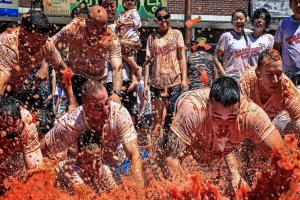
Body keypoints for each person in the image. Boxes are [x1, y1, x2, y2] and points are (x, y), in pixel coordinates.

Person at [164, 76, 285, 191]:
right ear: (207, 107)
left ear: (239, 111)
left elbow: (283, 158)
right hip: (178, 106)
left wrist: (235, 173)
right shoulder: (192, 111)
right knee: (165, 169)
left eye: (231, 118)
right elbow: (171, 159)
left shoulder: (252, 114)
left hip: (210, 117)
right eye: (217, 117)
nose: (223, 127)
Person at [42, 80, 144, 187]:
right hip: (86, 170)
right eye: (99, 107)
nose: (106, 111)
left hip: (119, 165)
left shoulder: (118, 113)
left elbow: (134, 155)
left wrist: (139, 193)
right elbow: (40, 150)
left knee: (141, 167)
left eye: (107, 103)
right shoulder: (70, 124)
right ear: (86, 108)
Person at [0, 10, 76, 111]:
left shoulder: (46, 44)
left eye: (42, 41)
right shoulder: (9, 45)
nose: (39, 45)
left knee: (42, 118)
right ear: (23, 32)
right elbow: (1, 83)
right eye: (36, 41)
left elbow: (64, 71)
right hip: (4, 84)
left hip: (20, 86)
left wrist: (72, 103)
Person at [51, 5, 123, 105]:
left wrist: (116, 92)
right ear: (87, 21)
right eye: (95, 27)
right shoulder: (75, 27)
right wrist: (44, 67)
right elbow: (50, 46)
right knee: (77, 112)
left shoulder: (110, 36)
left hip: (99, 80)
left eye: (103, 28)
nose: (99, 32)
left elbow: (117, 67)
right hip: (75, 76)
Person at [144, 7, 188, 144]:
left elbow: (182, 58)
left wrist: (184, 79)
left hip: (174, 81)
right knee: (157, 121)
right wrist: (146, 84)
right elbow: (148, 62)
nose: (163, 20)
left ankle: (171, 148)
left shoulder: (176, 34)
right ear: (156, 20)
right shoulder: (152, 37)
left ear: (169, 17)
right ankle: (156, 153)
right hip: (157, 83)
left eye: (166, 17)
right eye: (160, 18)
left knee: (173, 118)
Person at [239, 48, 300, 135]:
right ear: (258, 74)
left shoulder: (287, 87)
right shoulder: (246, 84)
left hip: (277, 120)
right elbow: (237, 120)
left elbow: (298, 120)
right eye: (269, 74)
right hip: (252, 122)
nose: (275, 80)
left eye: (279, 74)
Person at [100, 0, 142, 121]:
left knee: (130, 116)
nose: (109, 9)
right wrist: (121, 43)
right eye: (105, 6)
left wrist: (130, 44)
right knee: (108, 117)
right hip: (107, 78)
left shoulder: (121, 24)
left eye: (111, 5)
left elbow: (138, 44)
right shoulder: (98, 27)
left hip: (126, 77)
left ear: (116, 6)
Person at [0, 95, 43, 193]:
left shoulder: (28, 124)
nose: (15, 139)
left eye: (19, 132)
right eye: (10, 135)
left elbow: (37, 172)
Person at [213, 9, 251, 80]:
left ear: (246, 21)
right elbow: (216, 58)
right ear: (231, 22)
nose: (238, 21)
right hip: (230, 78)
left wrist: (253, 70)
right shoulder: (226, 36)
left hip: (243, 80)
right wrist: (224, 75)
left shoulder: (248, 40)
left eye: (241, 19)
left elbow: (245, 62)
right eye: (235, 19)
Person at [117, 0, 142, 91]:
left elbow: (138, 23)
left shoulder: (134, 12)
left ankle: (137, 68)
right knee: (129, 57)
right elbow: (119, 26)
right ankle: (134, 79)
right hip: (124, 37)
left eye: (132, 0)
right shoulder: (121, 13)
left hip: (132, 37)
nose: (129, 2)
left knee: (122, 53)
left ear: (135, 2)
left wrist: (125, 23)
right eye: (127, 0)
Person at [274, 0, 300, 73]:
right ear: (290, 5)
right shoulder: (284, 23)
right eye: (295, 2)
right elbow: (276, 48)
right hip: (289, 72)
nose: (298, 5)